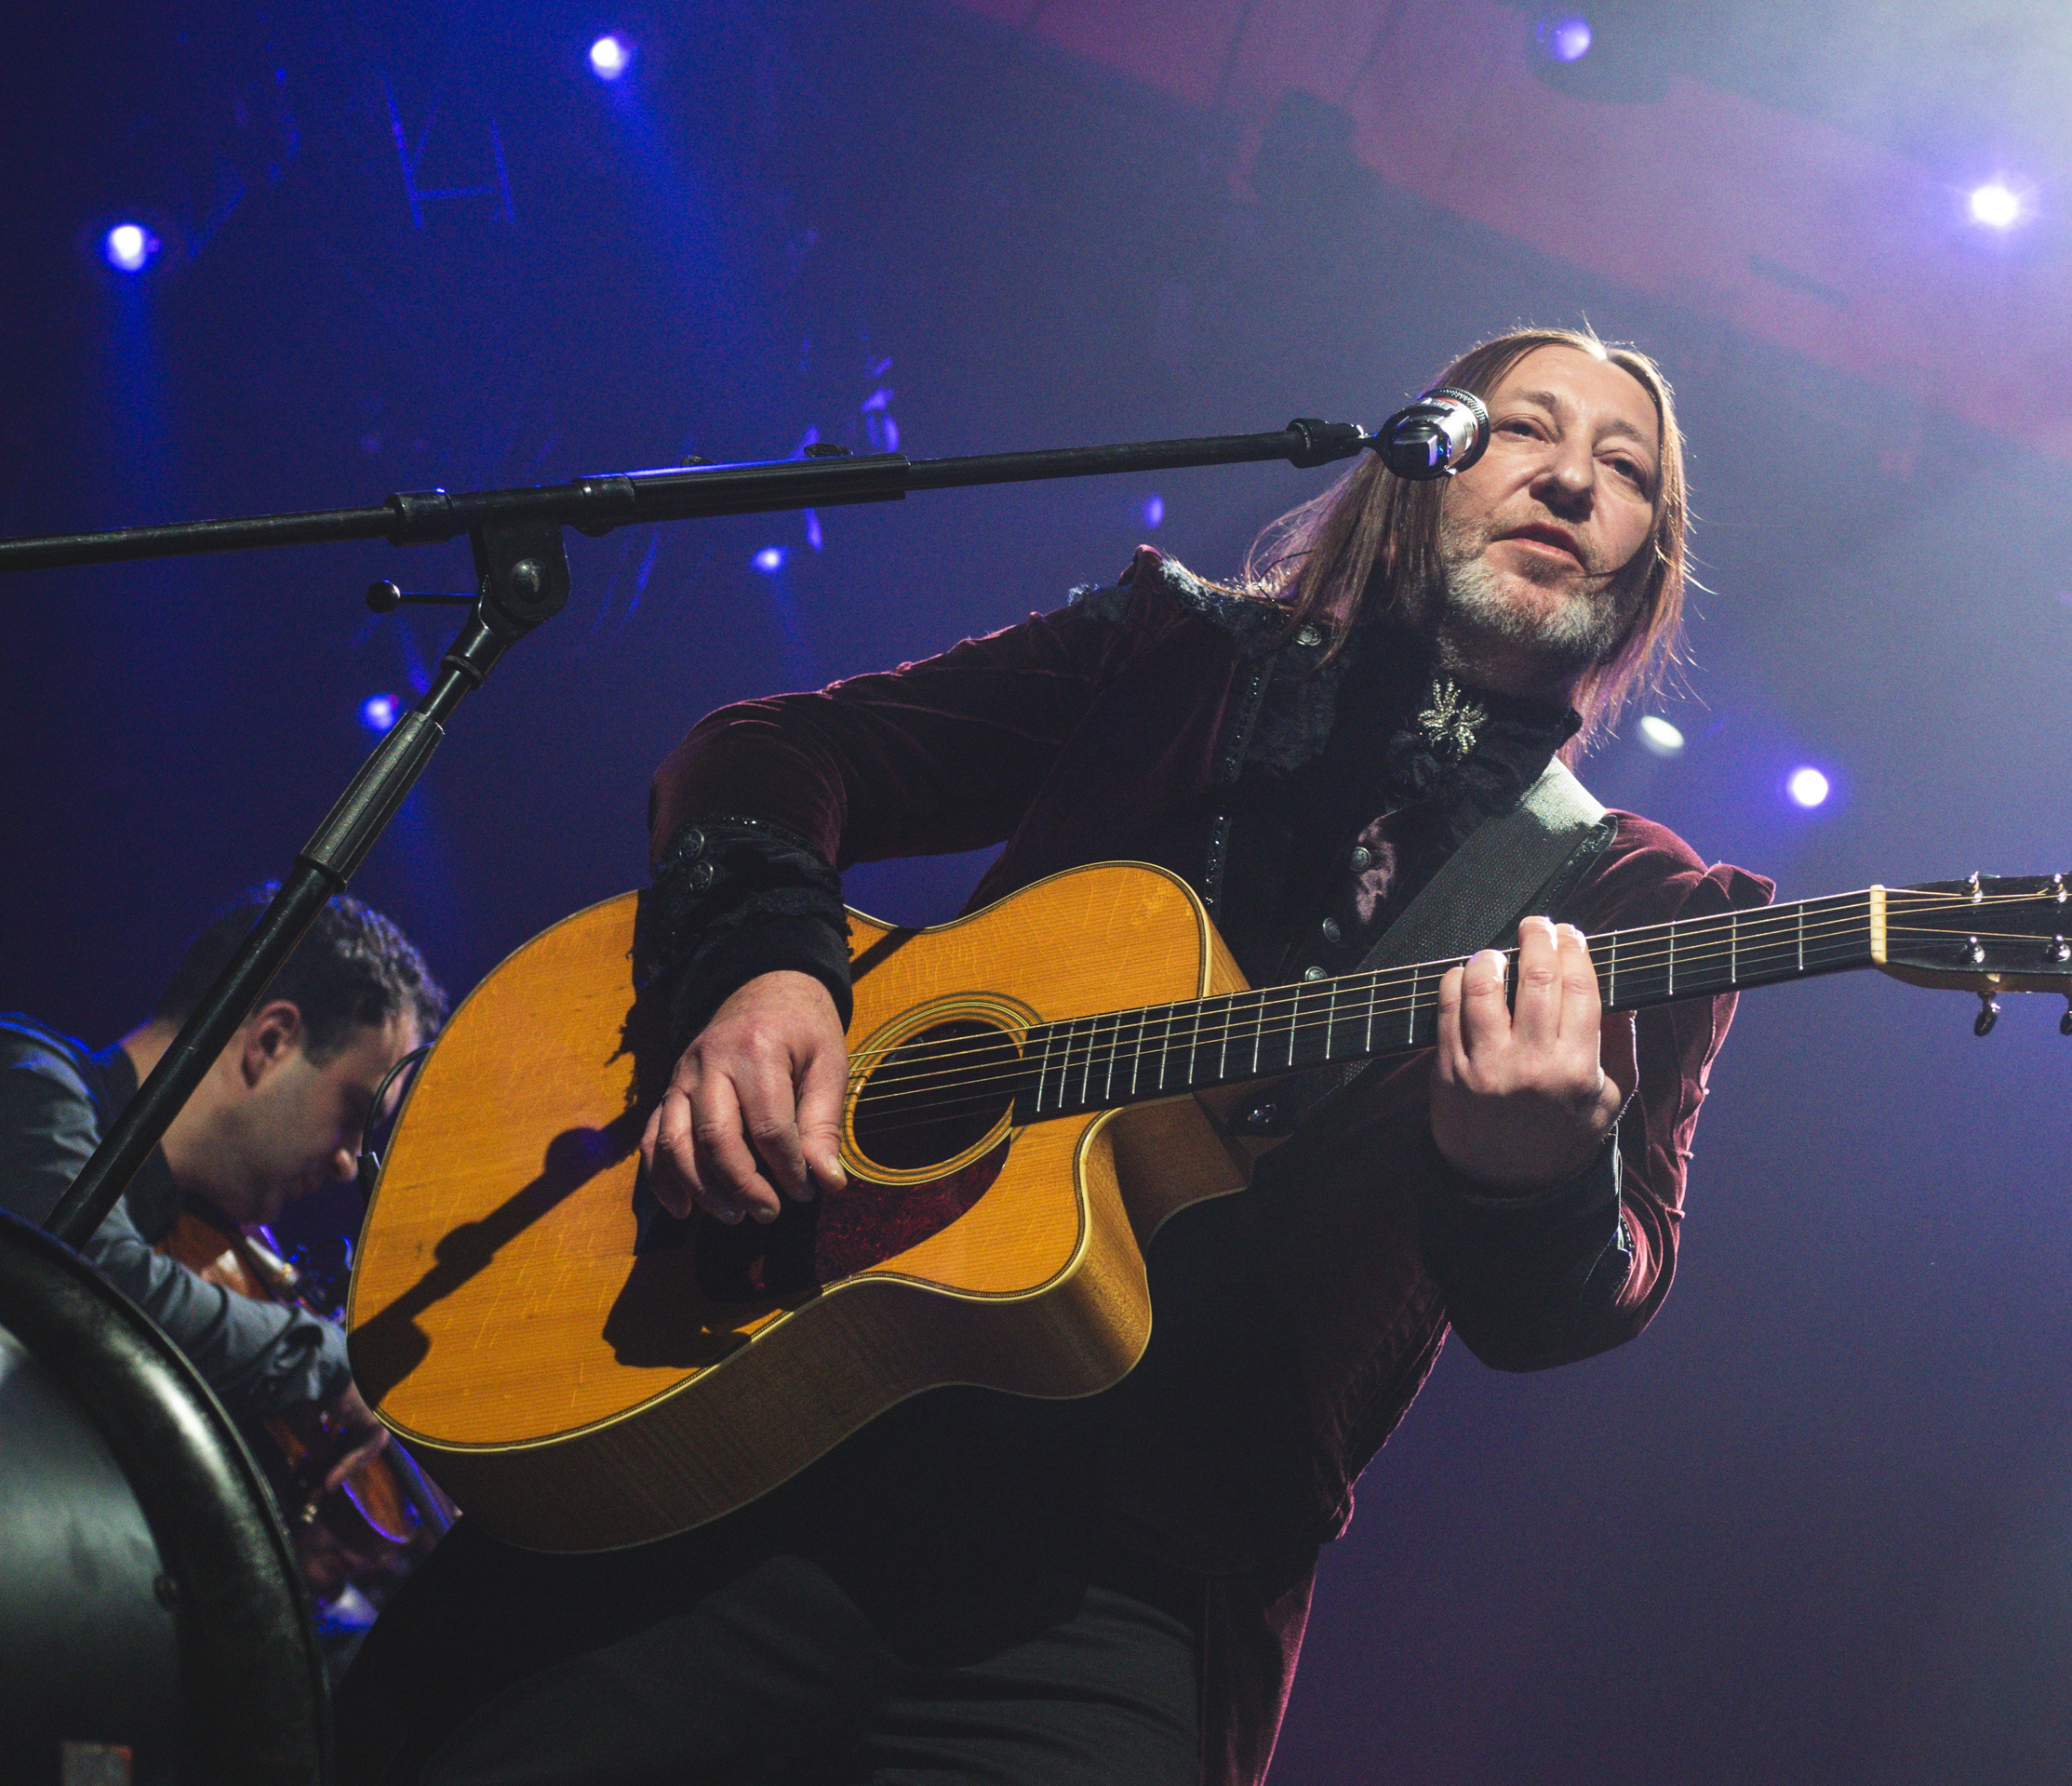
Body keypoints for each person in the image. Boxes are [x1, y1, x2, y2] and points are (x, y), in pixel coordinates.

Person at [335, 325, 1772, 1786]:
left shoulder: (1635, 904)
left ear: (1645, 563)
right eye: (1528, 430)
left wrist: (1532, 1180)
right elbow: (769, 756)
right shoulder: (1173, 655)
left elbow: (1589, 1294)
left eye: (1626, 471)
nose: (1574, 481)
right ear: (1423, 462)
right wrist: (768, 971)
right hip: (762, 1429)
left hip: (1126, 1595)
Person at [0, 886, 448, 1591]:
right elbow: (90, 1284)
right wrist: (336, 1360)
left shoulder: (192, 1236)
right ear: (271, 1041)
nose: (344, 1161)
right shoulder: (28, 1076)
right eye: (353, 1113)